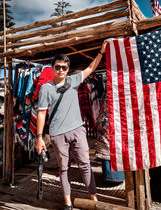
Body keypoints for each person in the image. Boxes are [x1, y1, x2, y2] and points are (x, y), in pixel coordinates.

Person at [36, 41, 107, 210]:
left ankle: (94, 199)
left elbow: (90, 68)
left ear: (68, 69)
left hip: (77, 130)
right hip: (57, 134)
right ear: (52, 68)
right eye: (58, 67)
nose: (61, 70)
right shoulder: (45, 88)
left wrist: (101, 52)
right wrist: (39, 138)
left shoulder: (74, 80)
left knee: (85, 165)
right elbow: (41, 113)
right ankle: (68, 203)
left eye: (64, 67)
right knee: (63, 169)